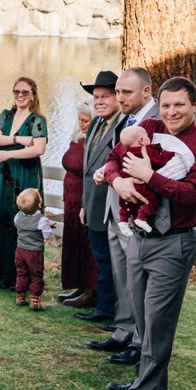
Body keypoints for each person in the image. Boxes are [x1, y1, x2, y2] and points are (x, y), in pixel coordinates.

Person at [104, 77, 196, 390]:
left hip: (174, 242)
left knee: (157, 323)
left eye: (179, 105)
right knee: (141, 318)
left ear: (195, 106)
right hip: (139, 237)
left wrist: (148, 175)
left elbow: (190, 193)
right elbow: (114, 159)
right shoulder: (150, 127)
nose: (171, 112)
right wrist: (118, 181)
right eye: (167, 105)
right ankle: (150, 382)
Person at [85, 68, 161, 363]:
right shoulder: (127, 120)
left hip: (140, 211)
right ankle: (123, 330)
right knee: (122, 275)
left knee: (139, 278)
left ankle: (141, 342)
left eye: (125, 92)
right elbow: (117, 156)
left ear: (145, 91)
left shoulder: (158, 120)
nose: (120, 98)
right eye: (118, 92)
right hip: (114, 208)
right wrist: (109, 171)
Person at [0, 77, 48, 289]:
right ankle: (1, 276)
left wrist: (8, 155)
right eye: (16, 91)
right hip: (5, 175)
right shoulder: (6, 115)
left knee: (26, 222)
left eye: (25, 92)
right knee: (4, 218)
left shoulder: (38, 120)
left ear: (33, 95)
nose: (20, 95)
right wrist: (18, 139)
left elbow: (38, 149)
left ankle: (26, 279)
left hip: (26, 176)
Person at [75, 70, 121, 324]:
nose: (99, 101)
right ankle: (104, 308)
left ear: (118, 97)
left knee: (113, 261)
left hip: (112, 205)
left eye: (105, 96)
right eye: (96, 97)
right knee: (101, 258)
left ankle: (114, 311)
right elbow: (87, 168)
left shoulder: (123, 125)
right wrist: (83, 204)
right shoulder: (95, 124)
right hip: (92, 203)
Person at [110, 126, 193, 235]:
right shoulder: (146, 150)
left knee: (126, 205)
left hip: (128, 185)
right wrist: (169, 153)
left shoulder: (126, 153)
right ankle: (142, 218)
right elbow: (160, 160)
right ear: (141, 140)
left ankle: (123, 221)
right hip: (142, 185)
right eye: (148, 138)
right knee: (151, 200)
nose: (150, 140)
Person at [58, 102, 98, 307]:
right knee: (73, 240)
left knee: (86, 243)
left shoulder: (95, 141)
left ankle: (91, 289)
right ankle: (79, 285)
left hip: (84, 195)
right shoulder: (77, 139)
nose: (82, 124)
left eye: (86, 120)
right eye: (80, 120)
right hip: (70, 196)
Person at [13, 188, 54, 311]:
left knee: (21, 272)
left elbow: (22, 226)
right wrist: (49, 227)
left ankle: (20, 296)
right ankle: (35, 300)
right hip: (34, 252)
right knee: (36, 274)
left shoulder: (17, 216)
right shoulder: (41, 219)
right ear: (39, 204)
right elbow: (47, 235)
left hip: (20, 250)